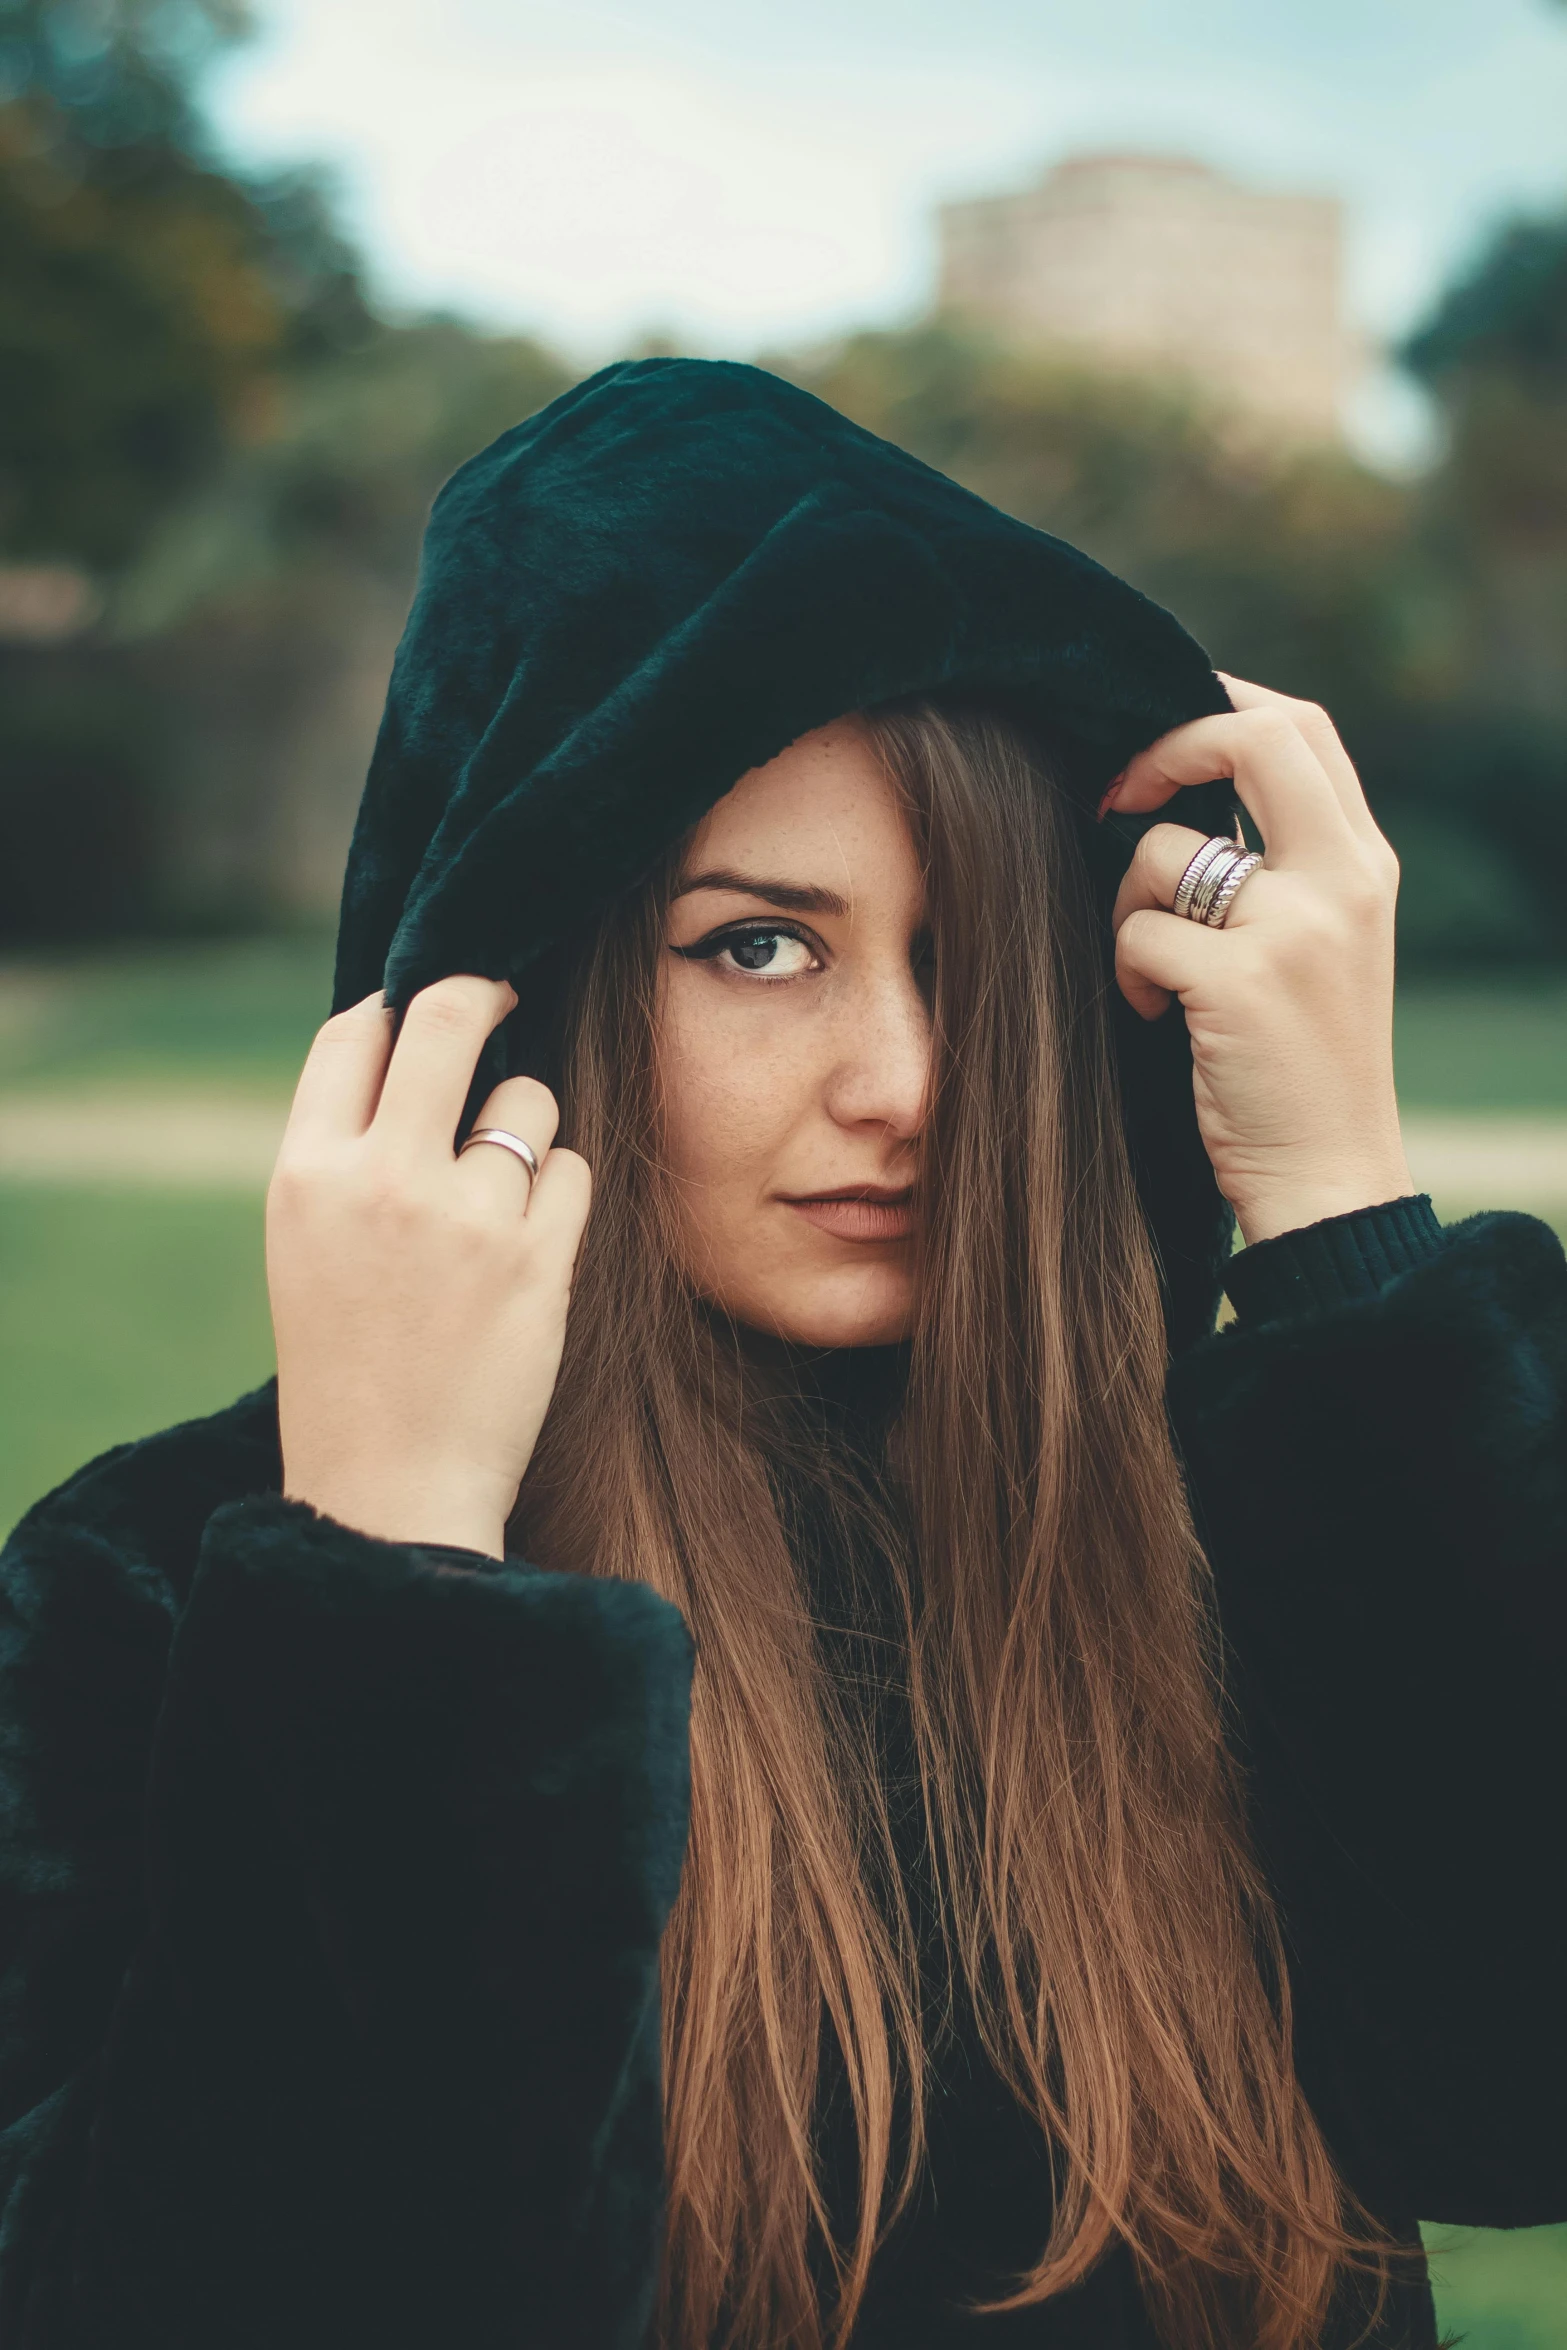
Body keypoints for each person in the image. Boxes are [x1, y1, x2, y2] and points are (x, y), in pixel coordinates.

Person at [0, 360, 1562, 2350]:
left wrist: (1344, 1215)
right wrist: (389, 1561)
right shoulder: (169, 1589)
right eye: (759, 943)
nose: (909, 1081)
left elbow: (1522, 2100)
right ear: (528, 979)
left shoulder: (1246, 1519)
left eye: (968, 956)